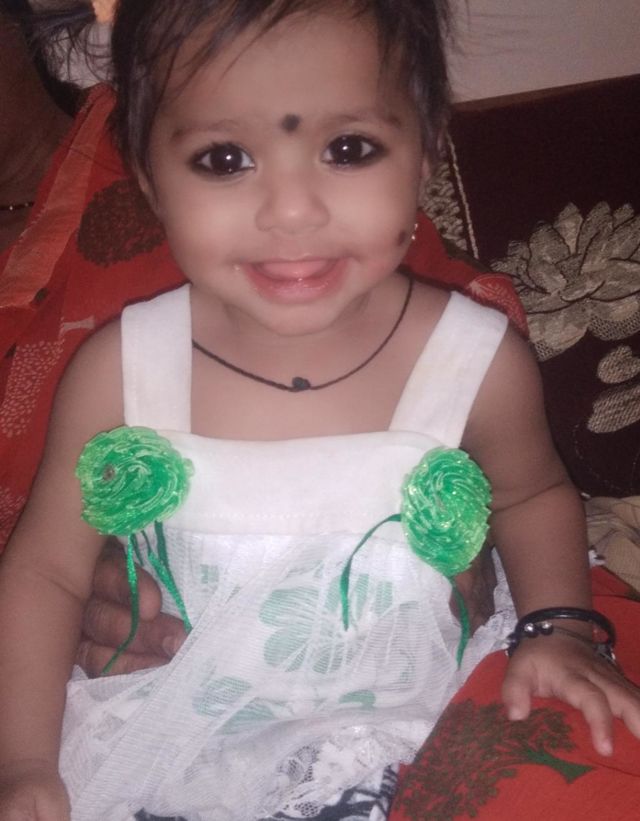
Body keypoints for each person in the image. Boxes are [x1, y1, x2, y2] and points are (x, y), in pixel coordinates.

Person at [1, 1, 638, 820]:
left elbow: (533, 495)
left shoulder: (473, 361)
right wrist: (23, 760)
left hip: (413, 740)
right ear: (149, 176)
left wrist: (559, 628)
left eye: (348, 149)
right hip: (172, 758)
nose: (292, 210)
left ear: (426, 149)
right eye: (225, 158)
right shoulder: (117, 372)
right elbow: (47, 569)